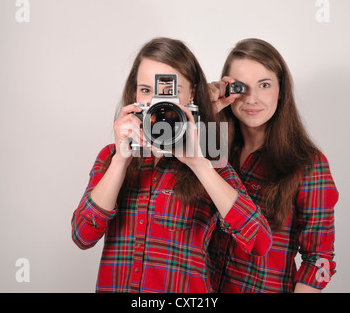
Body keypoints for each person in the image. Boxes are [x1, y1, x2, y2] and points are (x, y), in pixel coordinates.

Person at [71, 37, 272, 293]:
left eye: (169, 92)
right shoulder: (111, 157)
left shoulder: (210, 159)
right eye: (146, 90)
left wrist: (199, 165)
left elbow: (259, 243)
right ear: (134, 94)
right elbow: (82, 236)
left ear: (191, 94)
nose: (158, 103)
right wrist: (121, 161)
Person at [208, 38, 339, 293]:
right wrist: (208, 109)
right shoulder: (210, 152)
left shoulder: (308, 163)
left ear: (281, 90)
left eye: (264, 85)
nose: (252, 98)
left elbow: (319, 259)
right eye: (240, 87)